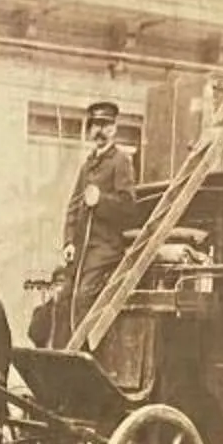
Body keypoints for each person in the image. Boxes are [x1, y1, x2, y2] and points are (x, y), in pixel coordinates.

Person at [34, 99, 140, 346]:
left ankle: (85, 356)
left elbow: (128, 207)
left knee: (83, 298)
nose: (99, 131)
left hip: (105, 248)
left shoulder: (120, 162)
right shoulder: (86, 166)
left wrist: (100, 200)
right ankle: (61, 356)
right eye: (94, 125)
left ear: (114, 128)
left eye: (104, 125)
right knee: (62, 296)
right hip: (82, 249)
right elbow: (72, 207)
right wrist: (69, 241)